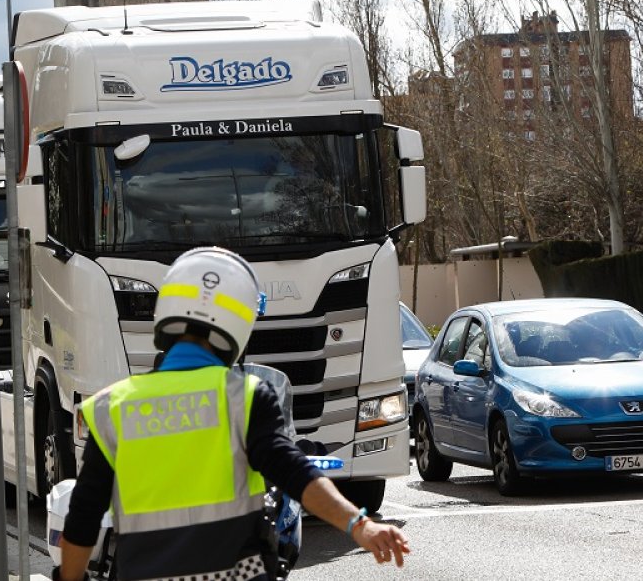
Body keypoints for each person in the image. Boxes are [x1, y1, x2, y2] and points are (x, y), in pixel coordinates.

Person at [55, 247, 409, 581]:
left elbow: (83, 517)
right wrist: (362, 526)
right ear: (240, 323)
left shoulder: (113, 408)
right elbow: (293, 473)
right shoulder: (244, 397)